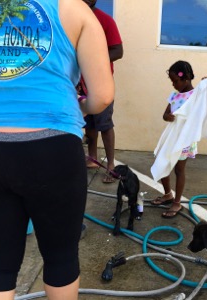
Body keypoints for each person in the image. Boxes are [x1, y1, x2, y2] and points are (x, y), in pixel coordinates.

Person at [0, 0, 114, 299]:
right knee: (60, 257)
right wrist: (79, 110)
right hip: (50, 144)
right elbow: (103, 95)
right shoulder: (75, 10)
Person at [151, 61, 207, 218]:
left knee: (179, 169)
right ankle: (167, 194)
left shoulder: (195, 96)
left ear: (186, 78)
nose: (174, 84)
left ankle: (177, 202)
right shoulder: (174, 96)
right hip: (172, 136)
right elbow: (165, 115)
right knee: (162, 162)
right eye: (172, 81)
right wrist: (169, 116)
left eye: (176, 81)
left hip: (185, 139)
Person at [81, 0, 123, 183]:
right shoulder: (73, 18)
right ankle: (92, 159)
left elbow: (118, 51)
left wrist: (92, 60)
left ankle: (111, 165)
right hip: (79, 83)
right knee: (89, 124)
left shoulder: (105, 20)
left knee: (104, 124)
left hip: (100, 82)